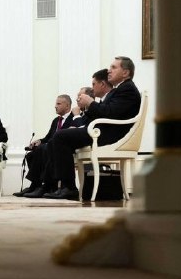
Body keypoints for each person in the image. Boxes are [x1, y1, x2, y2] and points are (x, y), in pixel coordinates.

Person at [44, 56, 142, 200]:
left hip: (110, 135)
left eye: (114, 67)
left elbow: (109, 113)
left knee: (60, 137)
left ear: (126, 73)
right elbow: (105, 112)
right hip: (103, 131)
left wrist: (90, 102)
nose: (109, 71)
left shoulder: (127, 90)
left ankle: (69, 188)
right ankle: (57, 186)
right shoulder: (119, 90)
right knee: (57, 139)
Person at [14, 94, 74, 197]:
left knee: (44, 149)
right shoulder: (56, 120)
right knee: (31, 155)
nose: (55, 106)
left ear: (67, 105)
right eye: (56, 104)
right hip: (50, 147)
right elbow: (48, 137)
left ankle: (45, 185)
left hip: (63, 149)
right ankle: (35, 185)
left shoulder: (73, 119)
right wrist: (39, 141)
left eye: (58, 104)